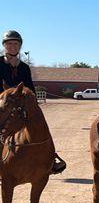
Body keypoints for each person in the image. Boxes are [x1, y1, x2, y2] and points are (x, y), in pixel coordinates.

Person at [0, 30, 66, 174]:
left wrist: (33, 103)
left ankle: (50, 158)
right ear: (4, 45)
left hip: (20, 105)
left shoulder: (24, 67)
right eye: (9, 43)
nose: (13, 46)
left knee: (40, 124)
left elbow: (29, 87)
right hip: (3, 103)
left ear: (20, 46)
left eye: (16, 44)